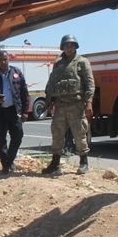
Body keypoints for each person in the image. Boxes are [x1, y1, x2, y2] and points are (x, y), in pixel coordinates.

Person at [42, 34, 95, 175]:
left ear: (75, 47)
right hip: (60, 105)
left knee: (79, 134)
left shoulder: (82, 62)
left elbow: (90, 83)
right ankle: (55, 163)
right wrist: (49, 101)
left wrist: (89, 102)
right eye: (66, 45)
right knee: (57, 134)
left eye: (71, 45)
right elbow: (51, 83)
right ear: (62, 47)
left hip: (76, 104)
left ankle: (84, 162)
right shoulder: (58, 63)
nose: (69, 48)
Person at [0, 50, 30, 174]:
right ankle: (6, 165)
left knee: (18, 135)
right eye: (0, 59)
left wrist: (25, 111)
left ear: (8, 59)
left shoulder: (17, 72)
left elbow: (24, 93)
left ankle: (9, 160)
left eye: (5, 59)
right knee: (1, 139)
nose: (3, 62)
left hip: (13, 110)